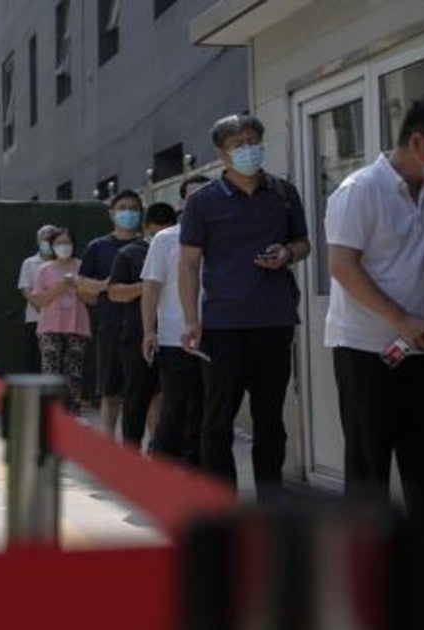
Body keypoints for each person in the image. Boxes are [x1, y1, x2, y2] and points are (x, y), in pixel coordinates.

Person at [324, 95, 424, 521]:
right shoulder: (360, 190)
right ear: (420, 143)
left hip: (421, 349)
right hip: (365, 350)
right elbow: (342, 266)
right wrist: (399, 318)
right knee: (369, 466)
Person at [179, 114, 311, 498]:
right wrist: (191, 320)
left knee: (270, 418)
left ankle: (271, 499)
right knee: (217, 419)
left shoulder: (284, 193)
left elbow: (303, 243)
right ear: (222, 153)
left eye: (253, 140)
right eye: (238, 144)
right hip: (222, 327)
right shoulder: (203, 203)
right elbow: (188, 263)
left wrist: (287, 252)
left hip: (274, 321)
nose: (248, 149)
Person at [142, 175, 212, 463]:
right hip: (175, 338)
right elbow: (151, 286)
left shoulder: (224, 236)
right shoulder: (166, 239)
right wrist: (149, 330)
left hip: (219, 336)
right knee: (175, 409)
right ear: (182, 203)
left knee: (208, 411)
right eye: (193, 196)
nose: (200, 201)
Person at [108, 202, 178, 447]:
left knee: (171, 400)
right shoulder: (130, 253)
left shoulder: (182, 248)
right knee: (137, 398)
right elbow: (114, 291)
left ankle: (161, 451)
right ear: (146, 228)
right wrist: (151, 285)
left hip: (174, 334)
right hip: (138, 334)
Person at [78, 190, 142, 438]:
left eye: (134, 208)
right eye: (123, 207)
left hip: (145, 328)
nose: (128, 213)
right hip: (111, 327)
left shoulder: (147, 245)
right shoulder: (98, 247)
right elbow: (83, 287)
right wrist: (108, 286)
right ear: (112, 213)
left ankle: (157, 454)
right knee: (110, 393)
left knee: (150, 394)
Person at [32, 228, 93, 414]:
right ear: (52, 246)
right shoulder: (44, 269)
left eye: (67, 242)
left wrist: (78, 286)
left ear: (73, 245)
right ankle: (51, 412)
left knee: (73, 373)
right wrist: (59, 287)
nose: (63, 247)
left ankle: (72, 412)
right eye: (59, 243)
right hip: (50, 327)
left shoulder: (83, 267)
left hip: (77, 326)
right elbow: (39, 301)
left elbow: (92, 299)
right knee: (51, 371)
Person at [18, 224, 59, 371]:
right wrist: (41, 307)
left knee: (56, 359)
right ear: (38, 240)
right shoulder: (29, 263)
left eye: (51, 239)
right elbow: (25, 289)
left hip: (59, 321)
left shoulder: (63, 262)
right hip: (35, 319)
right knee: (35, 359)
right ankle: (34, 393)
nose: (47, 242)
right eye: (44, 239)